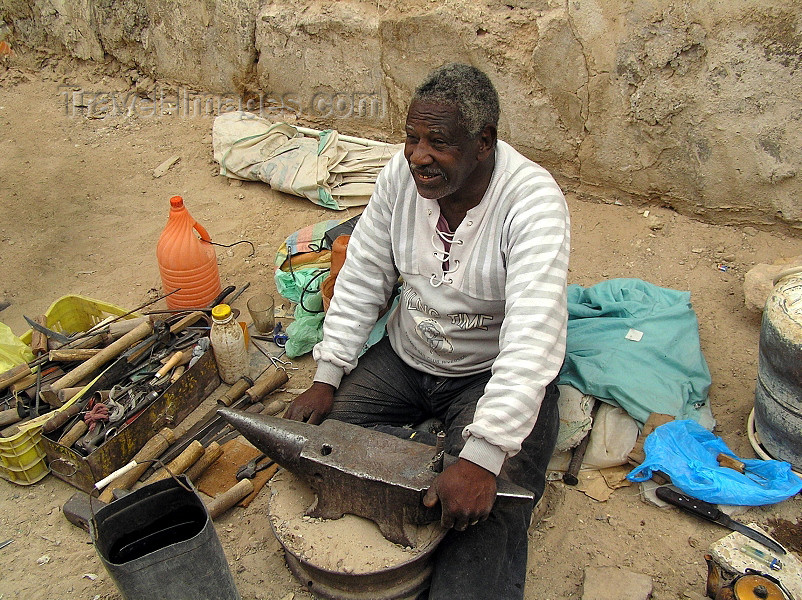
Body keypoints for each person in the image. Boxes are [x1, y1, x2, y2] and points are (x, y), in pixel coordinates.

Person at [285, 63, 570, 599]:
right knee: (322, 455)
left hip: (486, 373)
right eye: (412, 138)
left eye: (438, 142)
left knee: (484, 512)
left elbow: (533, 337)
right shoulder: (402, 175)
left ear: (483, 142)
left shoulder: (532, 202)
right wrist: (328, 373)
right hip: (406, 357)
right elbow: (366, 269)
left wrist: (483, 455)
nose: (418, 155)